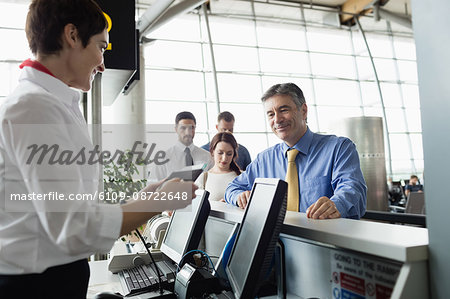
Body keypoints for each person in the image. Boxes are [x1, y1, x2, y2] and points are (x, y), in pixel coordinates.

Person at [0, 1, 196, 298]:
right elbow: (73, 227)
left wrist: (144, 199)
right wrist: (157, 203)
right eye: (101, 47)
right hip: (34, 286)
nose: (103, 63)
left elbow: (72, 209)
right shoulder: (34, 108)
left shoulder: (54, 104)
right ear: (72, 36)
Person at [225, 83, 367, 219]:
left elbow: (352, 189)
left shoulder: (339, 148)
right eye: (270, 114)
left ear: (303, 111)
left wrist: (336, 204)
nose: (277, 119)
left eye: (284, 110)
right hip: (276, 241)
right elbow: (233, 188)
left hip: (324, 240)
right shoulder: (265, 159)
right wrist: (239, 196)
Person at [150, 111, 212, 181]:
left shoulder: (207, 157)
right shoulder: (163, 158)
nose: (188, 132)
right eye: (183, 128)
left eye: (191, 128)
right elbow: (153, 186)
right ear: (176, 129)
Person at [195, 132, 241, 202]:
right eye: (220, 153)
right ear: (212, 152)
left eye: (229, 154)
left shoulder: (242, 177)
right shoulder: (204, 178)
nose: (224, 158)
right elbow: (196, 208)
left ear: (234, 154)